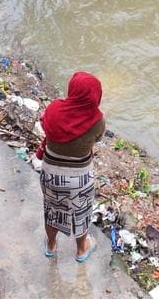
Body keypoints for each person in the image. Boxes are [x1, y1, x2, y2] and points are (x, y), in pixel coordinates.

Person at [36, 71, 105, 262]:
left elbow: (45, 127)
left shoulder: (54, 109)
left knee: (51, 210)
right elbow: (98, 138)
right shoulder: (97, 120)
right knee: (81, 214)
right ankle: (82, 250)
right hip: (79, 179)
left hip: (51, 174)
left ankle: (51, 245)